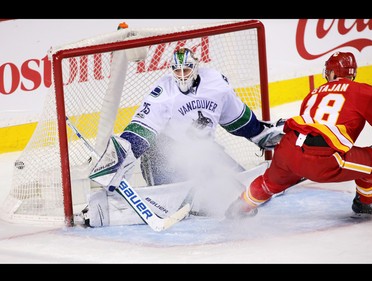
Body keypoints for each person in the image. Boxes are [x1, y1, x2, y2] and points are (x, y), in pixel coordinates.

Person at [83, 47, 285, 227]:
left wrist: (260, 133)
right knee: (174, 200)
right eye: (176, 71)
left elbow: (238, 118)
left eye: (185, 70)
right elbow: (142, 128)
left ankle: (201, 193)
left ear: (195, 68)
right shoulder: (164, 92)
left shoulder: (216, 84)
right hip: (162, 153)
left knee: (249, 195)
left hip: (203, 151)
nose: (181, 75)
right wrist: (123, 155)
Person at [225, 51, 372, 220]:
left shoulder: (312, 94)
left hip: (288, 147)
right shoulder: (362, 90)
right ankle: (364, 203)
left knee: (270, 183)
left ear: (332, 73)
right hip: (324, 157)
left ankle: (239, 207)